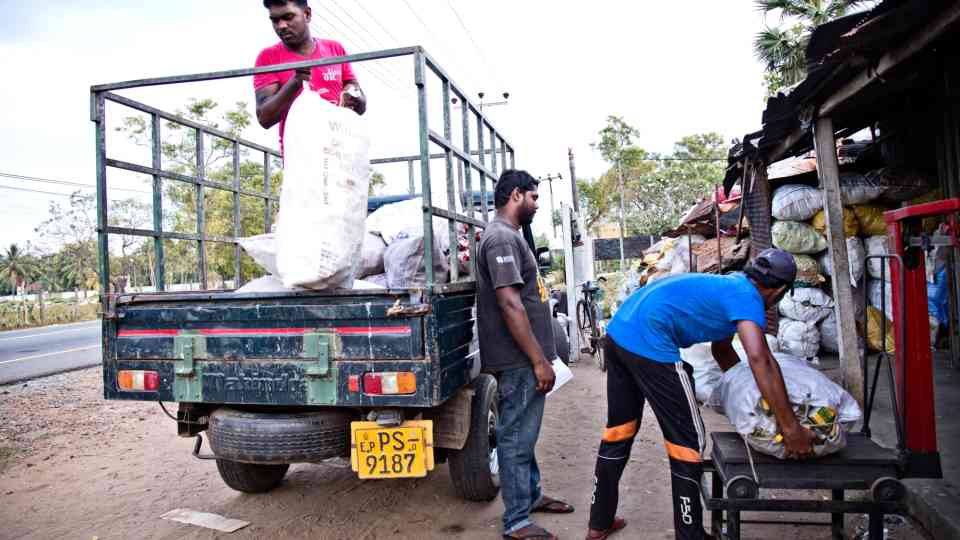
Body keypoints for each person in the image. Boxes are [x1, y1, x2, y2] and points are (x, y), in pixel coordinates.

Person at [585, 249, 819, 540]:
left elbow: (723, 350)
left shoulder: (730, 285)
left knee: (619, 430)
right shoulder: (748, 297)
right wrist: (791, 428)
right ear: (780, 291)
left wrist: (748, 399)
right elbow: (761, 359)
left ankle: (599, 522)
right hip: (649, 339)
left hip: (620, 333)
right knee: (687, 440)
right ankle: (690, 535)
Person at [476, 170, 575, 540]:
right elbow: (510, 304)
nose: (536, 205)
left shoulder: (509, 235)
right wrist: (537, 360)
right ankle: (516, 521)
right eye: (534, 197)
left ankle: (530, 495)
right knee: (516, 438)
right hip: (518, 360)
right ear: (516, 195)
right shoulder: (501, 238)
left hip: (522, 359)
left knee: (523, 433)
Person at [253, 0, 366, 154]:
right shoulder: (268, 58)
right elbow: (264, 118)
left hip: (342, 151)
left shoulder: (335, 49)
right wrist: (296, 82)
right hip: (302, 156)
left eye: (288, 17)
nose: (281, 26)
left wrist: (356, 98)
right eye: (275, 20)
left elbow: (357, 95)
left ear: (307, 14)